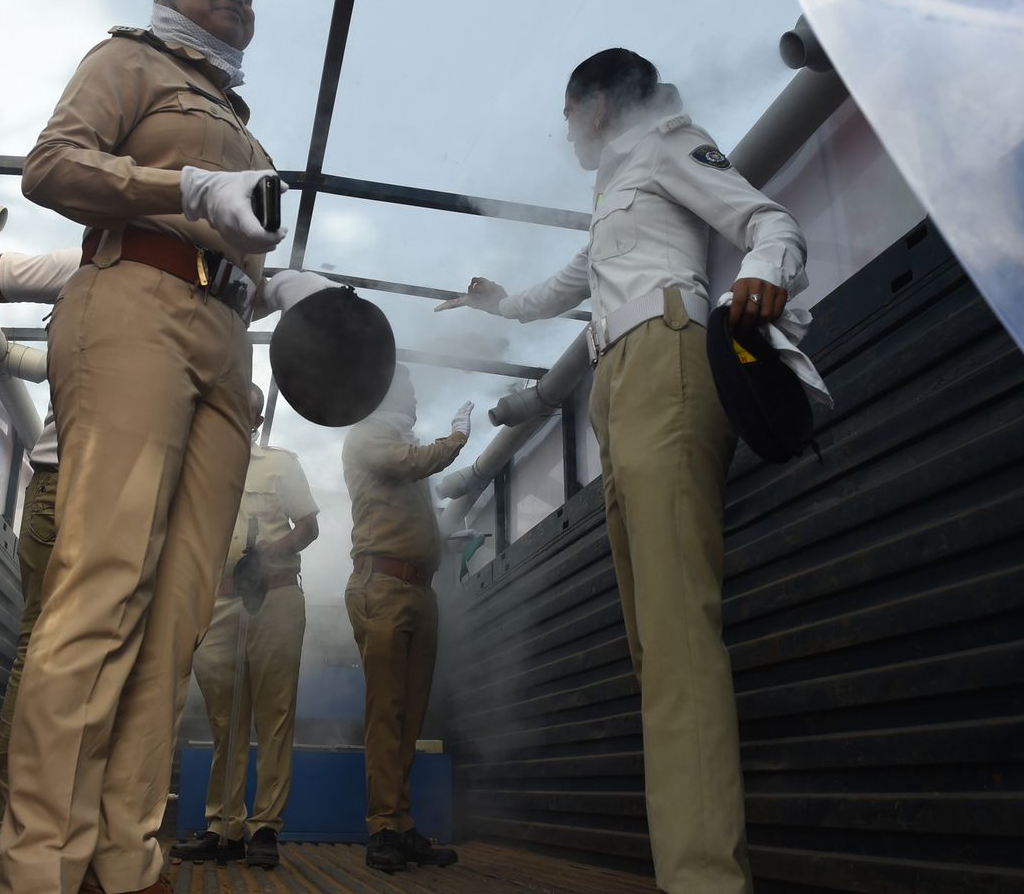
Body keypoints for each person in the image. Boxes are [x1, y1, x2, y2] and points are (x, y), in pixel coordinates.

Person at [438, 49, 808, 894]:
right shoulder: (613, 190)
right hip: (619, 387)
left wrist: (759, 275)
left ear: (598, 103)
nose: (566, 129)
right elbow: (559, 290)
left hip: (669, 360)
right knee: (653, 651)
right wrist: (496, 302)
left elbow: (771, 223)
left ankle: (705, 880)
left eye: (570, 112)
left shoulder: (671, 140)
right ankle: (692, 864)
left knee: (676, 643)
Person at [0, 0, 308, 894]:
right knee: (105, 582)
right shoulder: (128, 61)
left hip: (226, 338)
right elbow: (50, 167)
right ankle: (39, 862)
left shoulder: (246, 131)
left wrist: (286, 282)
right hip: (135, 299)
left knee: (177, 618)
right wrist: (181, 189)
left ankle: (126, 858)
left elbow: (240, 238)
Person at [0, 247, 82, 894]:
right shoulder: (195, 273)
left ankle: (6, 847)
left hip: (62, 482)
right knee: (81, 660)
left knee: (38, 655)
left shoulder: (84, 259)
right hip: (92, 486)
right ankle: (34, 848)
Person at [171, 384, 319, 870]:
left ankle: (265, 830)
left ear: (256, 420)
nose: (240, 416)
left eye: (249, 411)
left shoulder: (281, 464)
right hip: (218, 602)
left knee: (273, 716)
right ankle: (223, 827)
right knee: (224, 720)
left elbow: (308, 527)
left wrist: (271, 553)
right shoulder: (197, 468)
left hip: (274, 594)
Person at [341, 366, 472, 873]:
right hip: (383, 586)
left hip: (417, 588)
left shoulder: (396, 439)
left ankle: (400, 823)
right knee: (387, 712)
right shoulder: (370, 435)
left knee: (410, 715)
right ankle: (382, 829)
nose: (415, 399)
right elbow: (410, 463)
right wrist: (457, 437)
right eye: (407, 390)